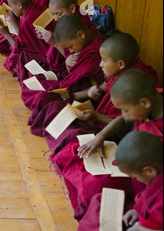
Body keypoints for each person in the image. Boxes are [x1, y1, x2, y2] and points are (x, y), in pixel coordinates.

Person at [56, 70, 163, 220]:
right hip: (130, 157)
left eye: (125, 110)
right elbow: (125, 119)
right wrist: (100, 136)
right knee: (74, 150)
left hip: (144, 176)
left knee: (94, 185)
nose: (124, 114)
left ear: (144, 102)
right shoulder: (147, 103)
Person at [31, 33, 157, 154]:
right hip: (98, 118)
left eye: (104, 60)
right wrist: (74, 96)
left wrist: (96, 119)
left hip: (111, 132)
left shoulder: (136, 82)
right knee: (52, 104)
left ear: (120, 64)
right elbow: (103, 87)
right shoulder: (119, 73)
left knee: (73, 138)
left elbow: (124, 120)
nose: (100, 64)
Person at [69, 130, 163, 231]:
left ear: (149, 170)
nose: (136, 180)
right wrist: (136, 211)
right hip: (143, 225)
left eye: (135, 176)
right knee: (101, 198)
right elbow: (146, 201)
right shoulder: (156, 177)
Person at [20, 14, 105, 120]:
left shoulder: (97, 50)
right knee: (34, 85)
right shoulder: (83, 41)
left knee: (43, 99)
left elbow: (101, 86)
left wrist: (73, 95)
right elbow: (74, 74)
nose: (71, 51)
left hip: (87, 97)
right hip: (73, 89)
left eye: (70, 47)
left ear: (81, 35)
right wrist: (67, 65)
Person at [39, 0, 99, 79]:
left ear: (72, 8)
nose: (55, 19)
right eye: (53, 14)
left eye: (58, 14)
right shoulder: (67, 18)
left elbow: (75, 55)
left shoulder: (82, 25)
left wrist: (54, 42)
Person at [0, 0, 52, 78]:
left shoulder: (27, 19)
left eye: (11, 6)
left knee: (15, 60)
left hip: (43, 57)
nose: (11, 9)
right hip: (49, 50)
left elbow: (23, 47)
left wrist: (6, 34)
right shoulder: (39, 9)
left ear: (20, 5)